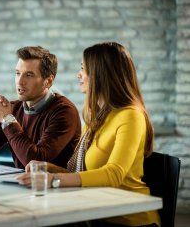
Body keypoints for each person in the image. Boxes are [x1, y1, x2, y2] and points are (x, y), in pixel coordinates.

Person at [17, 42, 160, 227]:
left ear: (101, 75)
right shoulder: (97, 116)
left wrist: (53, 180)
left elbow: (113, 175)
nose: (79, 74)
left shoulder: (131, 116)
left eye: (84, 69)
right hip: (95, 214)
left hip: (129, 220)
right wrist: (50, 168)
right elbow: (83, 173)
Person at [0, 46, 81, 169]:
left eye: (29, 75)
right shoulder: (14, 109)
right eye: (17, 73)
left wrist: (7, 119)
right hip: (22, 184)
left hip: (54, 186)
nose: (20, 81)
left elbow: (35, 162)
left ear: (49, 81)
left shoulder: (64, 112)